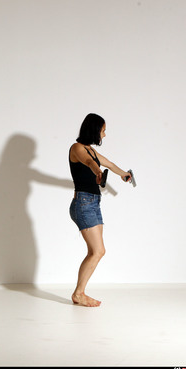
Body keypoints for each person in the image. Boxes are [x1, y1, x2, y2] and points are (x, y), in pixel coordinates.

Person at [69, 113, 131, 307]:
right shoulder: (78, 148)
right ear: (94, 130)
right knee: (98, 251)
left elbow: (109, 164)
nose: (104, 135)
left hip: (93, 203)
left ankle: (79, 293)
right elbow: (90, 163)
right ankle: (79, 293)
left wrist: (124, 175)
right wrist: (98, 173)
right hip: (83, 204)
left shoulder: (91, 150)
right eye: (103, 130)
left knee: (94, 252)